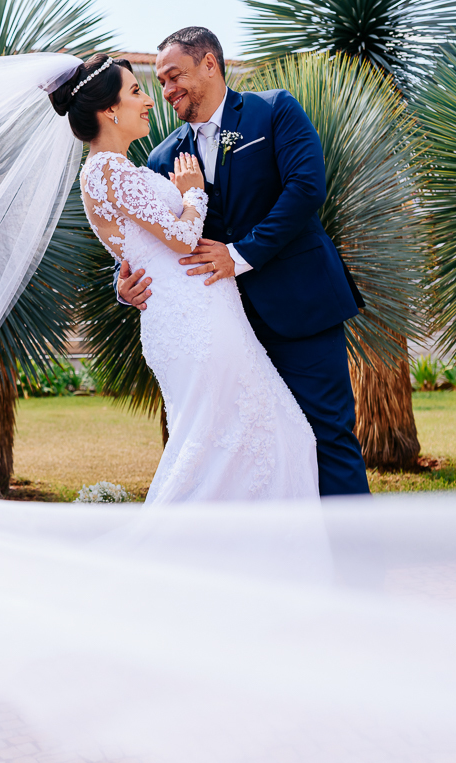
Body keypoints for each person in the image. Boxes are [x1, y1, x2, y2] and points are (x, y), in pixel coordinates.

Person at [50, 54, 318, 502]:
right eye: (136, 91)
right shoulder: (109, 169)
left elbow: (138, 244)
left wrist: (126, 277)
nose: (151, 99)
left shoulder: (117, 170)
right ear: (109, 111)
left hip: (200, 316)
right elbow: (179, 235)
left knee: (247, 442)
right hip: (195, 323)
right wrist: (193, 189)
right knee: (231, 444)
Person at [116, 28, 371, 497]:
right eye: (162, 82)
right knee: (241, 451)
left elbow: (306, 188)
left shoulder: (273, 111)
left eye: (175, 77)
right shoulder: (161, 157)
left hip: (300, 308)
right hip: (222, 329)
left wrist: (239, 254)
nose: (167, 90)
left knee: (328, 436)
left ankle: (355, 567)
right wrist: (124, 281)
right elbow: (148, 235)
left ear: (210, 64)